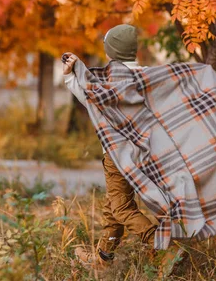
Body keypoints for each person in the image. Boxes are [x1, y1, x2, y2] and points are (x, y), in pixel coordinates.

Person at [62, 24, 159, 267]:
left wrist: (69, 75)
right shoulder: (149, 76)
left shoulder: (106, 81)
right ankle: (103, 258)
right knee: (113, 205)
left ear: (111, 51)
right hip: (147, 153)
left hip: (117, 157)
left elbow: (88, 99)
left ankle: (160, 243)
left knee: (121, 209)